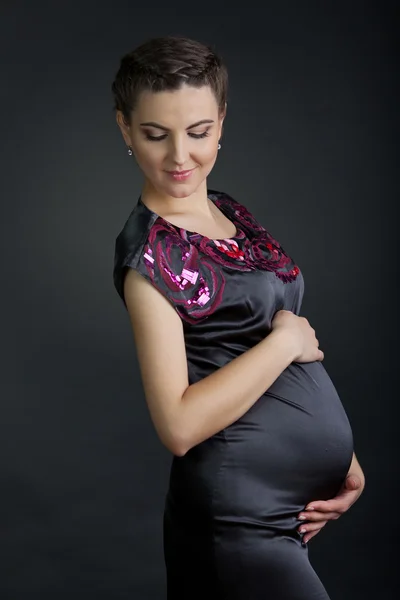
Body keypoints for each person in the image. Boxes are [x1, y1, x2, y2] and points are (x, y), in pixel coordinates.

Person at [111, 36, 365, 599]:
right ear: (126, 129)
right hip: (235, 517)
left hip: (280, 513)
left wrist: (343, 458)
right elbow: (177, 427)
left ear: (221, 122)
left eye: (198, 132)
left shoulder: (229, 211)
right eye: (156, 134)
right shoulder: (147, 258)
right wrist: (283, 344)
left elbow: (264, 329)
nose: (180, 156)